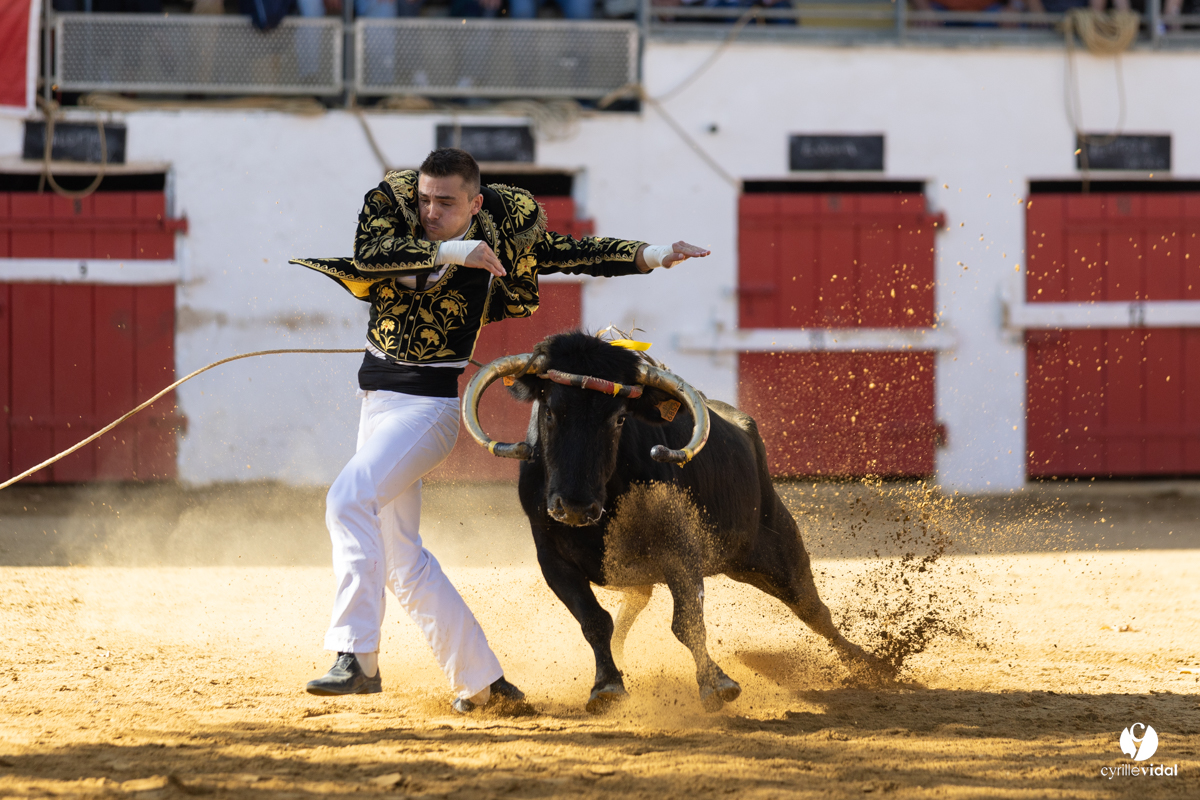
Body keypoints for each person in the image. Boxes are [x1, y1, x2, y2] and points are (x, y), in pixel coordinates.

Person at [290, 148, 709, 714]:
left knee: (347, 500)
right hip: (379, 404)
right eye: (424, 199)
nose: (429, 212)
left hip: (426, 410)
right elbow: (371, 255)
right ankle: (483, 682)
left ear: (475, 203)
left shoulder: (505, 236)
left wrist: (652, 254)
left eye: (445, 203)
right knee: (400, 558)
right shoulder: (397, 220)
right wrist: (453, 250)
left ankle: (356, 656)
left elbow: (572, 251)